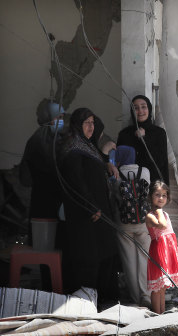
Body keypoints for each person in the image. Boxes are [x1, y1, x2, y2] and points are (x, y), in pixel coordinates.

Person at [59, 108, 119, 301]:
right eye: (86, 123)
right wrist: (90, 206)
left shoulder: (87, 146)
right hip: (86, 215)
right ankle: (86, 303)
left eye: (93, 122)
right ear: (77, 125)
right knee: (88, 259)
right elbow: (77, 182)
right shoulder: (73, 149)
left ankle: (103, 300)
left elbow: (94, 168)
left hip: (100, 213)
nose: (91, 127)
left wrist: (105, 162)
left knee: (105, 255)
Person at [115, 145, 152, 307]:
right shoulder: (145, 172)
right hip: (143, 221)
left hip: (123, 223)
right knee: (144, 258)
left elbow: (113, 196)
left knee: (129, 260)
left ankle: (136, 298)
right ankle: (146, 295)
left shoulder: (115, 174)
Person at [20, 100, 65, 221]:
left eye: (62, 117)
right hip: (46, 198)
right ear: (49, 117)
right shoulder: (42, 139)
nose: (62, 121)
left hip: (44, 197)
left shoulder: (51, 137)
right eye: (58, 117)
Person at [146, 180, 178, 314]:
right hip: (158, 252)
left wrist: (177, 250)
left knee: (163, 287)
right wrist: (159, 211)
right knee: (157, 287)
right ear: (151, 196)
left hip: (168, 251)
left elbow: (171, 233)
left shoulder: (165, 214)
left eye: (164, 195)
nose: (161, 198)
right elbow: (162, 226)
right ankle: (157, 314)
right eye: (157, 195)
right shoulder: (151, 216)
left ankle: (161, 313)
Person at [117, 95, 169, 183]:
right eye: (136, 108)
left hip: (154, 186)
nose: (140, 111)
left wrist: (144, 139)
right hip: (130, 188)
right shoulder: (124, 134)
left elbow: (161, 162)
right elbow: (119, 162)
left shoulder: (159, 133)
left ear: (149, 109)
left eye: (143, 107)